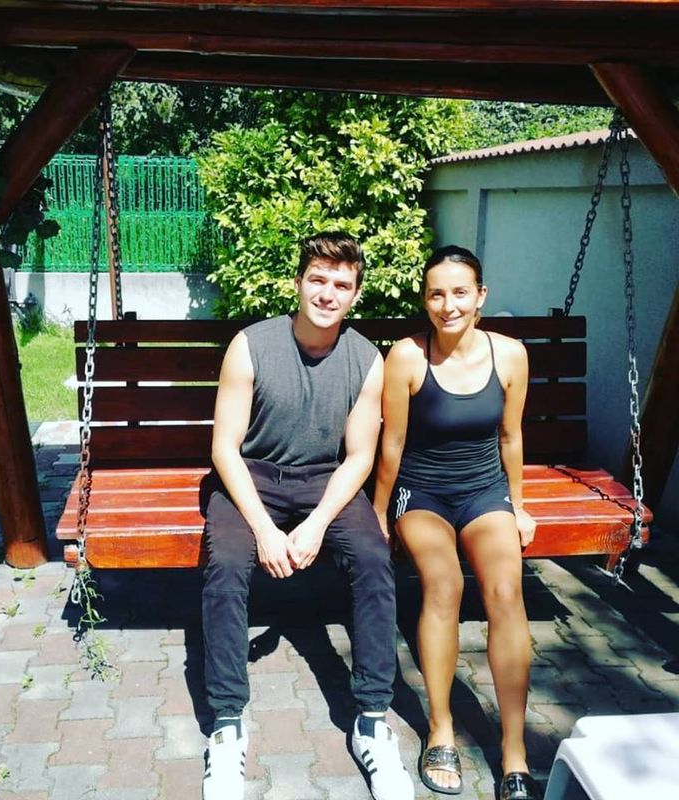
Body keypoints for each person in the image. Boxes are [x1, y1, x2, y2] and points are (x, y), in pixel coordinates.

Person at [200, 232, 415, 800]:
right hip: (251, 475)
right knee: (227, 563)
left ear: (355, 295)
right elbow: (224, 449)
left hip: (324, 478)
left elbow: (361, 456)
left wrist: (316, 523)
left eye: (341, 284)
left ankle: (372, 719)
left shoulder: (367, 359)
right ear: (297, 283)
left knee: (372, 558)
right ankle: (227, 723)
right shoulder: (250, 345)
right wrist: (266, 531)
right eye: (317, 279)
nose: (327, 293)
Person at [373, 245, 541, 800]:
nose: (448, 305)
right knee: (443, 584)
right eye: (436, 294)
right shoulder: (407, 357)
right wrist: (378, 512)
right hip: (421, 493)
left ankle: (514, 749)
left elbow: (510, 436)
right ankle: (441, 728)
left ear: (480, 296)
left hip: (484, 491)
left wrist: (517, 504)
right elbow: (392, 442)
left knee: (505, 590)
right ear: (425, 300)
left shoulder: (510, 355)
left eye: (460, 292)